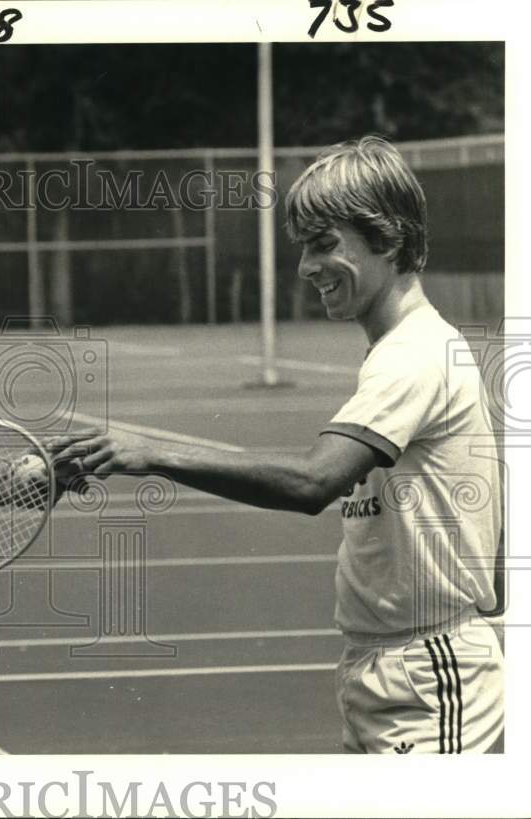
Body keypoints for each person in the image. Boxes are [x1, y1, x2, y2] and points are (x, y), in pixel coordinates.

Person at [50, 136, 503, 754]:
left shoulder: (414, 358)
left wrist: (151, 452)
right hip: (392, 666)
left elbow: (315, 481)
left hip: (429, 674)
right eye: (303, 248)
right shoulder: (402, 351)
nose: (306, 268)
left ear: (388, 239)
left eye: (324, 245)